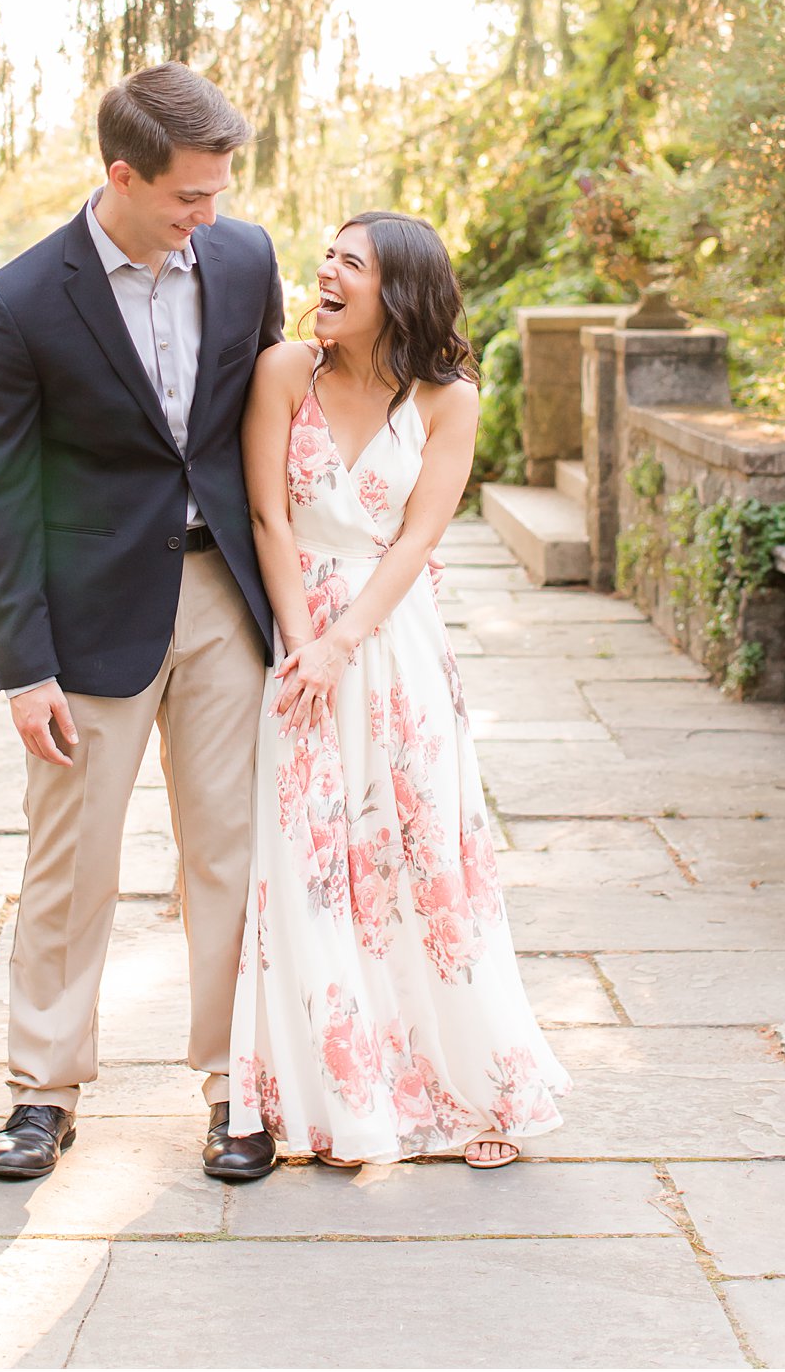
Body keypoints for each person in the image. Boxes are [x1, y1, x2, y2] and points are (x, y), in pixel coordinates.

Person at [0, 63, 285, 1184]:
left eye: (217, 193)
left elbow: (275, 427)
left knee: (233, 853)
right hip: (85, 615)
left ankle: (237, 1084)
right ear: (120, 176)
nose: (208, 217)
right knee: (70, 858)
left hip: (222, 601)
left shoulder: (243, 261)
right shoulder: (19, 301)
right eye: (188, 197)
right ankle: (41, 1092)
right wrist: (23, 667)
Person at [229, 211, 571, 1167]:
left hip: (394, 642)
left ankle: (471, 1089)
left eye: (352, 262)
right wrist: (305, 646)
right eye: (327, 257)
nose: (326, 273)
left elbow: (420, 537)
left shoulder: (448, 396)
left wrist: (346, 641)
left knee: (419, 857)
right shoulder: (283, 372)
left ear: (400, 290)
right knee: (314, 865)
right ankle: (343, 1097)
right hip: (299, 646)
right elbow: (266, 513)